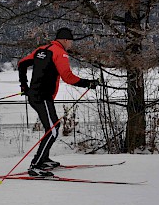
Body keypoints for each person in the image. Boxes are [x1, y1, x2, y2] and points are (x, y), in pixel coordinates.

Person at [18, 27, 99, 177]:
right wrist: (88, 83)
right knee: (53, 129)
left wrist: (24, 85)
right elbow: (68, 77)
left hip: (36, 96)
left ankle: (44, 160)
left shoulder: (41, 49)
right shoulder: (60, 52)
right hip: (43, 97)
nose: (71, 45)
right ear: (66, 40)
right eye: (71, 42)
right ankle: (35, 165)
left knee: (53, 127)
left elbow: (22, 64)